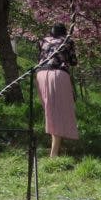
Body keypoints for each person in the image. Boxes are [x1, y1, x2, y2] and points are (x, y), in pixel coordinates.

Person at [36, 23, 78, 157]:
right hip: (57, 75)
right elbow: (73, 61)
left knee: (50, 111)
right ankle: (54, 153)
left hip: (41, 74)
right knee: (59, 111)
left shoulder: (42, 40)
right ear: (64, 33)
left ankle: (56, 146)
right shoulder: (67, 41)